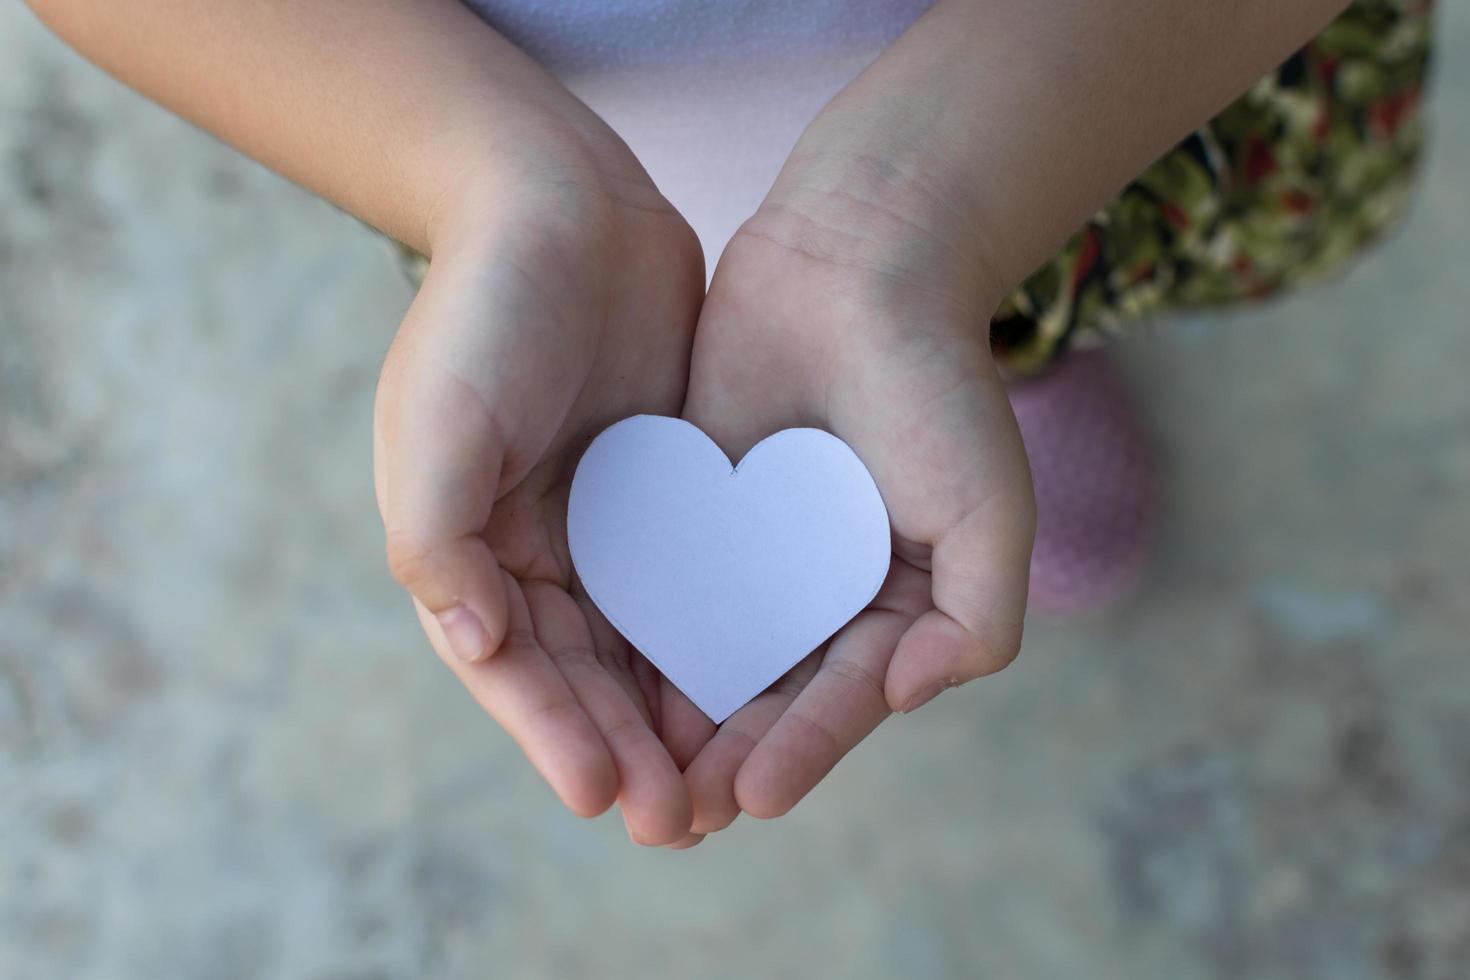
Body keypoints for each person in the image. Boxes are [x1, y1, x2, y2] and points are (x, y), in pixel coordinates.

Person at [26, 0, 1432, 849]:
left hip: (1124, 84)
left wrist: (914, 211)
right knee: (880, 364)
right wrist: (502, 188)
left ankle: (988, 350)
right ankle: (959, 367)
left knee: (1030, 293)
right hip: (510, 119)